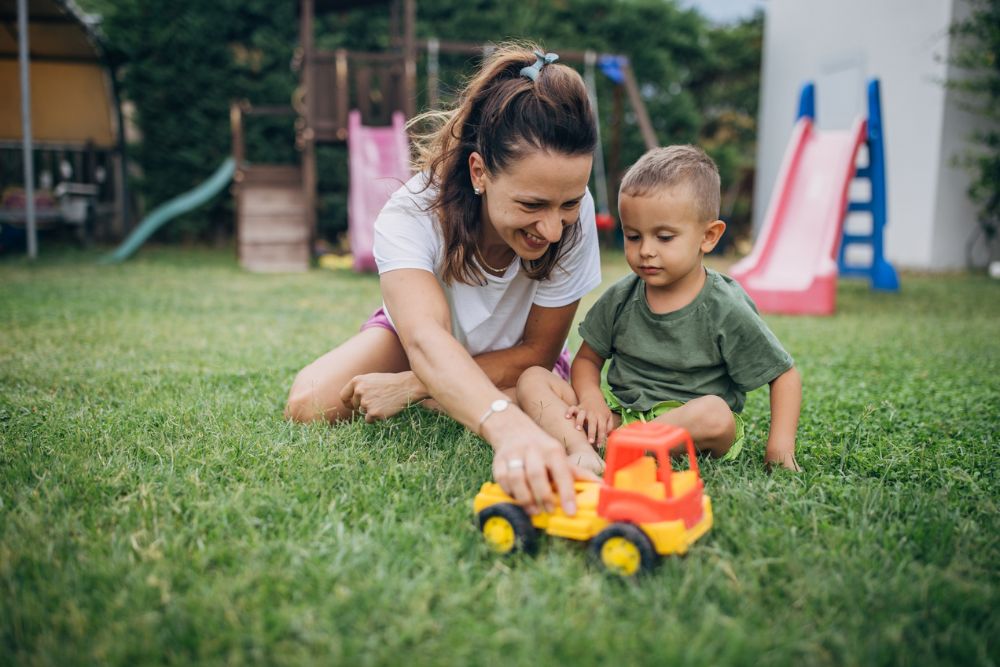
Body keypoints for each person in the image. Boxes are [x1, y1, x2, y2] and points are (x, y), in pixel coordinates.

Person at [285, 44, 604, 515]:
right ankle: (469, 397)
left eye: (570, 203)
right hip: (420, 343)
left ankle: (452, 395)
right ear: (480, 172)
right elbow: (425, 338)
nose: (554, 229)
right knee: (310, 402)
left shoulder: (573, 219)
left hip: (516, 359)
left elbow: (537, 351)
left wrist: (414, 388)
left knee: (534, 391)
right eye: (532, 205)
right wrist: (507, 427)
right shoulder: (413, 212)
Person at [517, 145, 802, 473]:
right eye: (633, 236)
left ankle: (621, 447)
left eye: (664, 237)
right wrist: (592, 398)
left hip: (689, 428)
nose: (646, 251)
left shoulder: (725, 307)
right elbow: (586, 361)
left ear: (708, 237)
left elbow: (784, 376)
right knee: (534, 379)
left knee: (715, 413)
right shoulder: (622, 298)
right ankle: (586, 449)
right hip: (623, 417)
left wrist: (780, 448)